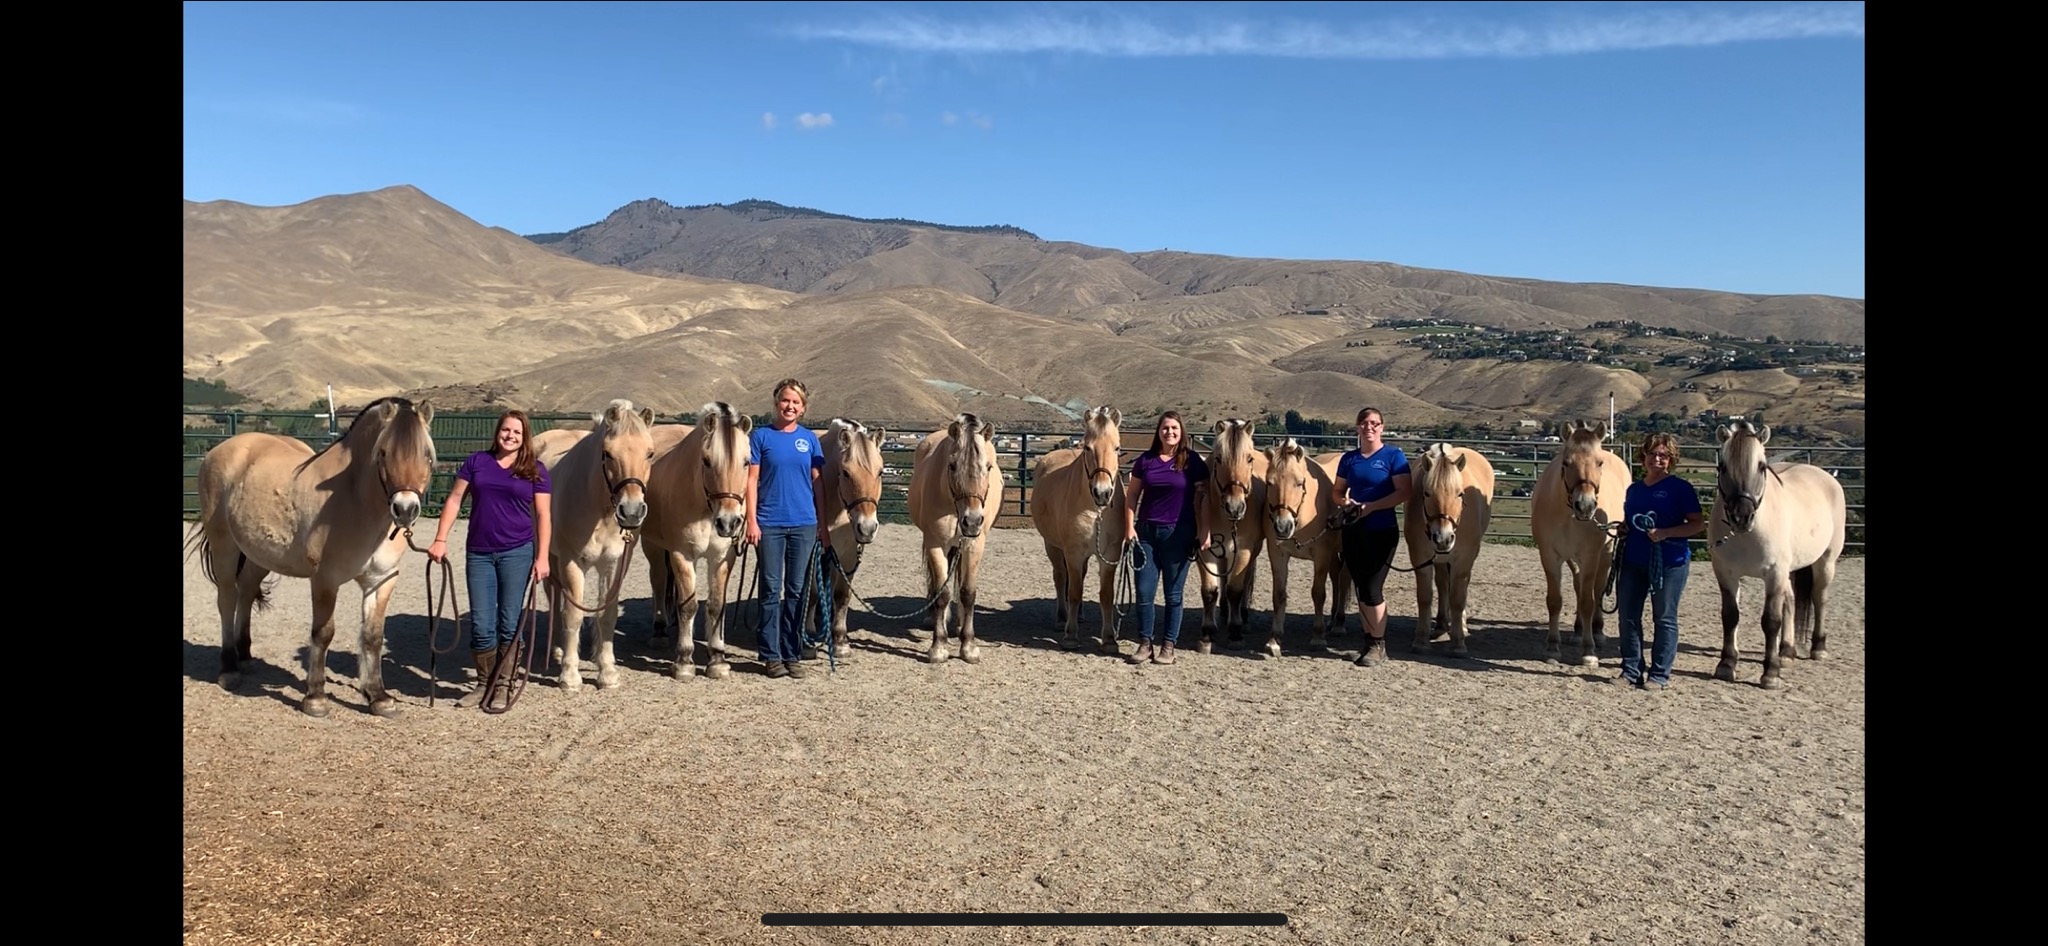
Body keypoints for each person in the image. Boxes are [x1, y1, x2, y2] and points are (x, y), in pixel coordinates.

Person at [427, 409, 552, 708]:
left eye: (517, 432)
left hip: (517, 552)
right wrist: (440, 538)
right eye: (506, 430)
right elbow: (455, 499)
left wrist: (543, 557)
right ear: (498, 431)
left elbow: (544, 515)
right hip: (479, 553)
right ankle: (484, 684)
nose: (510, 436)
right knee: (482, 623)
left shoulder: (535, 469)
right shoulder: (477, 462)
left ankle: (504, 685)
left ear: (524, 437)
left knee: (509, 622)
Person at [746, 378, 826, 680]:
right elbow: (751, 481)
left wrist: (823, 524)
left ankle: (792, 653)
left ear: (803, 408)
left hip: (804, 523)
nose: (790, 406)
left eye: (796, 402)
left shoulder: (810, 439)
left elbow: (818, 484)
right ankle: (770, 655)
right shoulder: (761, 437)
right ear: (776, 402)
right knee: (770, 590)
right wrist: (752, 521)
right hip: (770, 524)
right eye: (785, 400)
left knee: (797, 591)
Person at [1614, 432, 1705, 690]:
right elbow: (1632, 519)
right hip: (1633, 559)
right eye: (1653, 454)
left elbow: (1697, 524)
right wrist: (1624, 528)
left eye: (1663, 455)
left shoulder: (1681, 489)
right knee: (1628, 616)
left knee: (1664, 617)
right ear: (1643, 457)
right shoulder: (1634, 490)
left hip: (1670, 562)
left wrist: (1666, 533)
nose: (1657, 459)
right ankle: (1631, 670)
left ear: (1671, 460)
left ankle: (1659, 674)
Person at [1121, 411, 1211, 666]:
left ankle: (1169, 646)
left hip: (1179, 533)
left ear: (1181, 432)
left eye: (1174, 428)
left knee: (1173, 594)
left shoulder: (1193, 461)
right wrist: (1129, 527)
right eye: (1165, 428)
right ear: (1158, 432)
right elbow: (1132, 495)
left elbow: (1205, 497)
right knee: (1144, 591)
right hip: (1146, 534)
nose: (1169, 432)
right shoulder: (1145, 461)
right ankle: (1145, 643)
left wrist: (1204, 530)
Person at [1334, 407, 1411, 668]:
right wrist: (1346, 502)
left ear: (1382, 427)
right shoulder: (1349, 459)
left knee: (1372, 588)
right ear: (1357, 427)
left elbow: (1404, 492)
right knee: (1360, 587)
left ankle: (1378, 643)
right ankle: (1369, 642)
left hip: (1381, 529)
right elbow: (1337, 491)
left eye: (1375, 423)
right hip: (1353, 528)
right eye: (1364, 423)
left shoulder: (1393, 456)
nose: (1369, 427)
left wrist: (1372, 507)